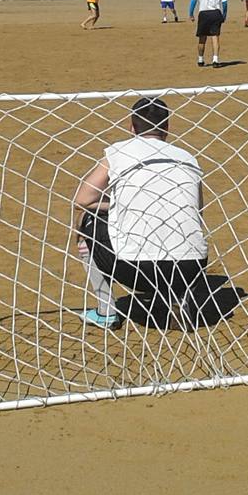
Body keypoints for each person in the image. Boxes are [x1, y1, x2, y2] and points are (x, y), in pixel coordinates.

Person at [70, 97, 210, 329]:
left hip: (133, 269)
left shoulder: (118, 152)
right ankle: (179, 300)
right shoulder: (189, 158)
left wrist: (116, 206)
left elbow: (82, 200)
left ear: (131, 126)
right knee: (184, 232)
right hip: (189, 268)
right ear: (167, 127)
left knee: (86, 219)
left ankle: (106, 312)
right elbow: (198, 212)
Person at [191, 0, 227, 67]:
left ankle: (200, 59)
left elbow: (193, 1)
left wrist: (191, 13)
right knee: (215, 37)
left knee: (202, 38)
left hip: (204, 13)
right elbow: (224, 3)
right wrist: (224, 15)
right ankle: (215, 59)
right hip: (215, 13)